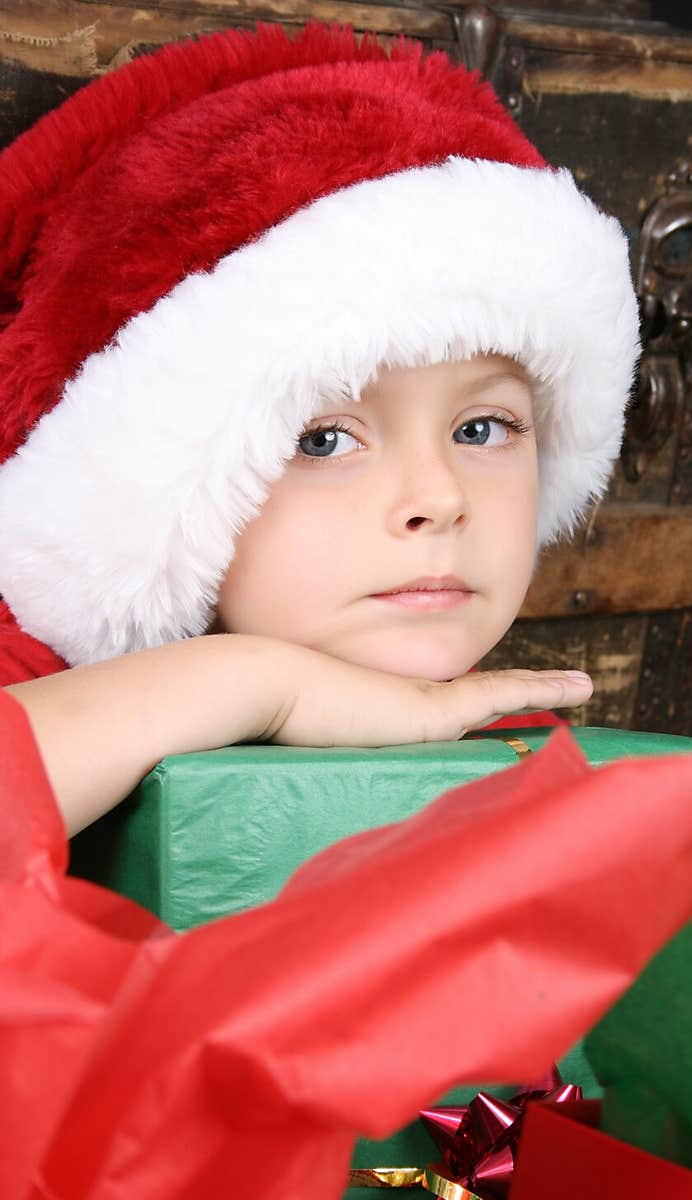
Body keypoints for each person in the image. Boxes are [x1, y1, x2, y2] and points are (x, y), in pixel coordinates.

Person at [0, 19, 640, 840]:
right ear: (162, 492)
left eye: (483, 428)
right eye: (323, 440)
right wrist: (255, 683)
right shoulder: (44, 697)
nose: (440, 499)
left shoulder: (511, 750)